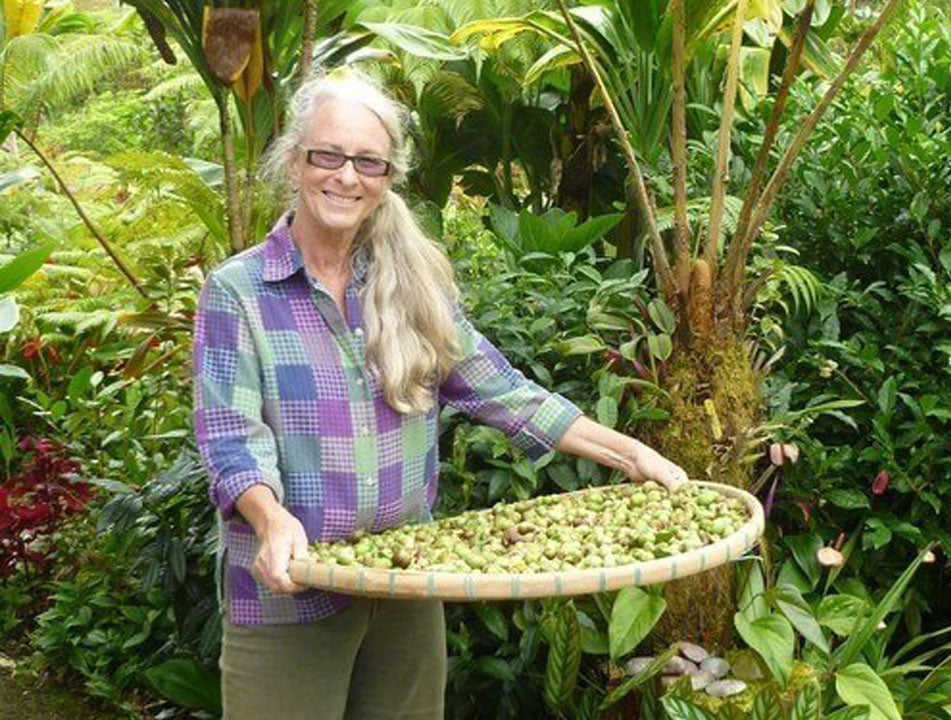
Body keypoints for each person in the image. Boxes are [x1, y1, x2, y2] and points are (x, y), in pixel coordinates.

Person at [192, 68, 688, 720]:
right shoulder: (239, 291)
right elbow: (231, 438)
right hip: (290, 595)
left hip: (406, 586)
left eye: (368, 161)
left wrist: (630, 455)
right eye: (328, 155)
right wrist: (271, 518)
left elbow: (503, 393)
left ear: (389, 176)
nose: (347, 176)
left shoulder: (410, 283)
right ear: (294, 160)